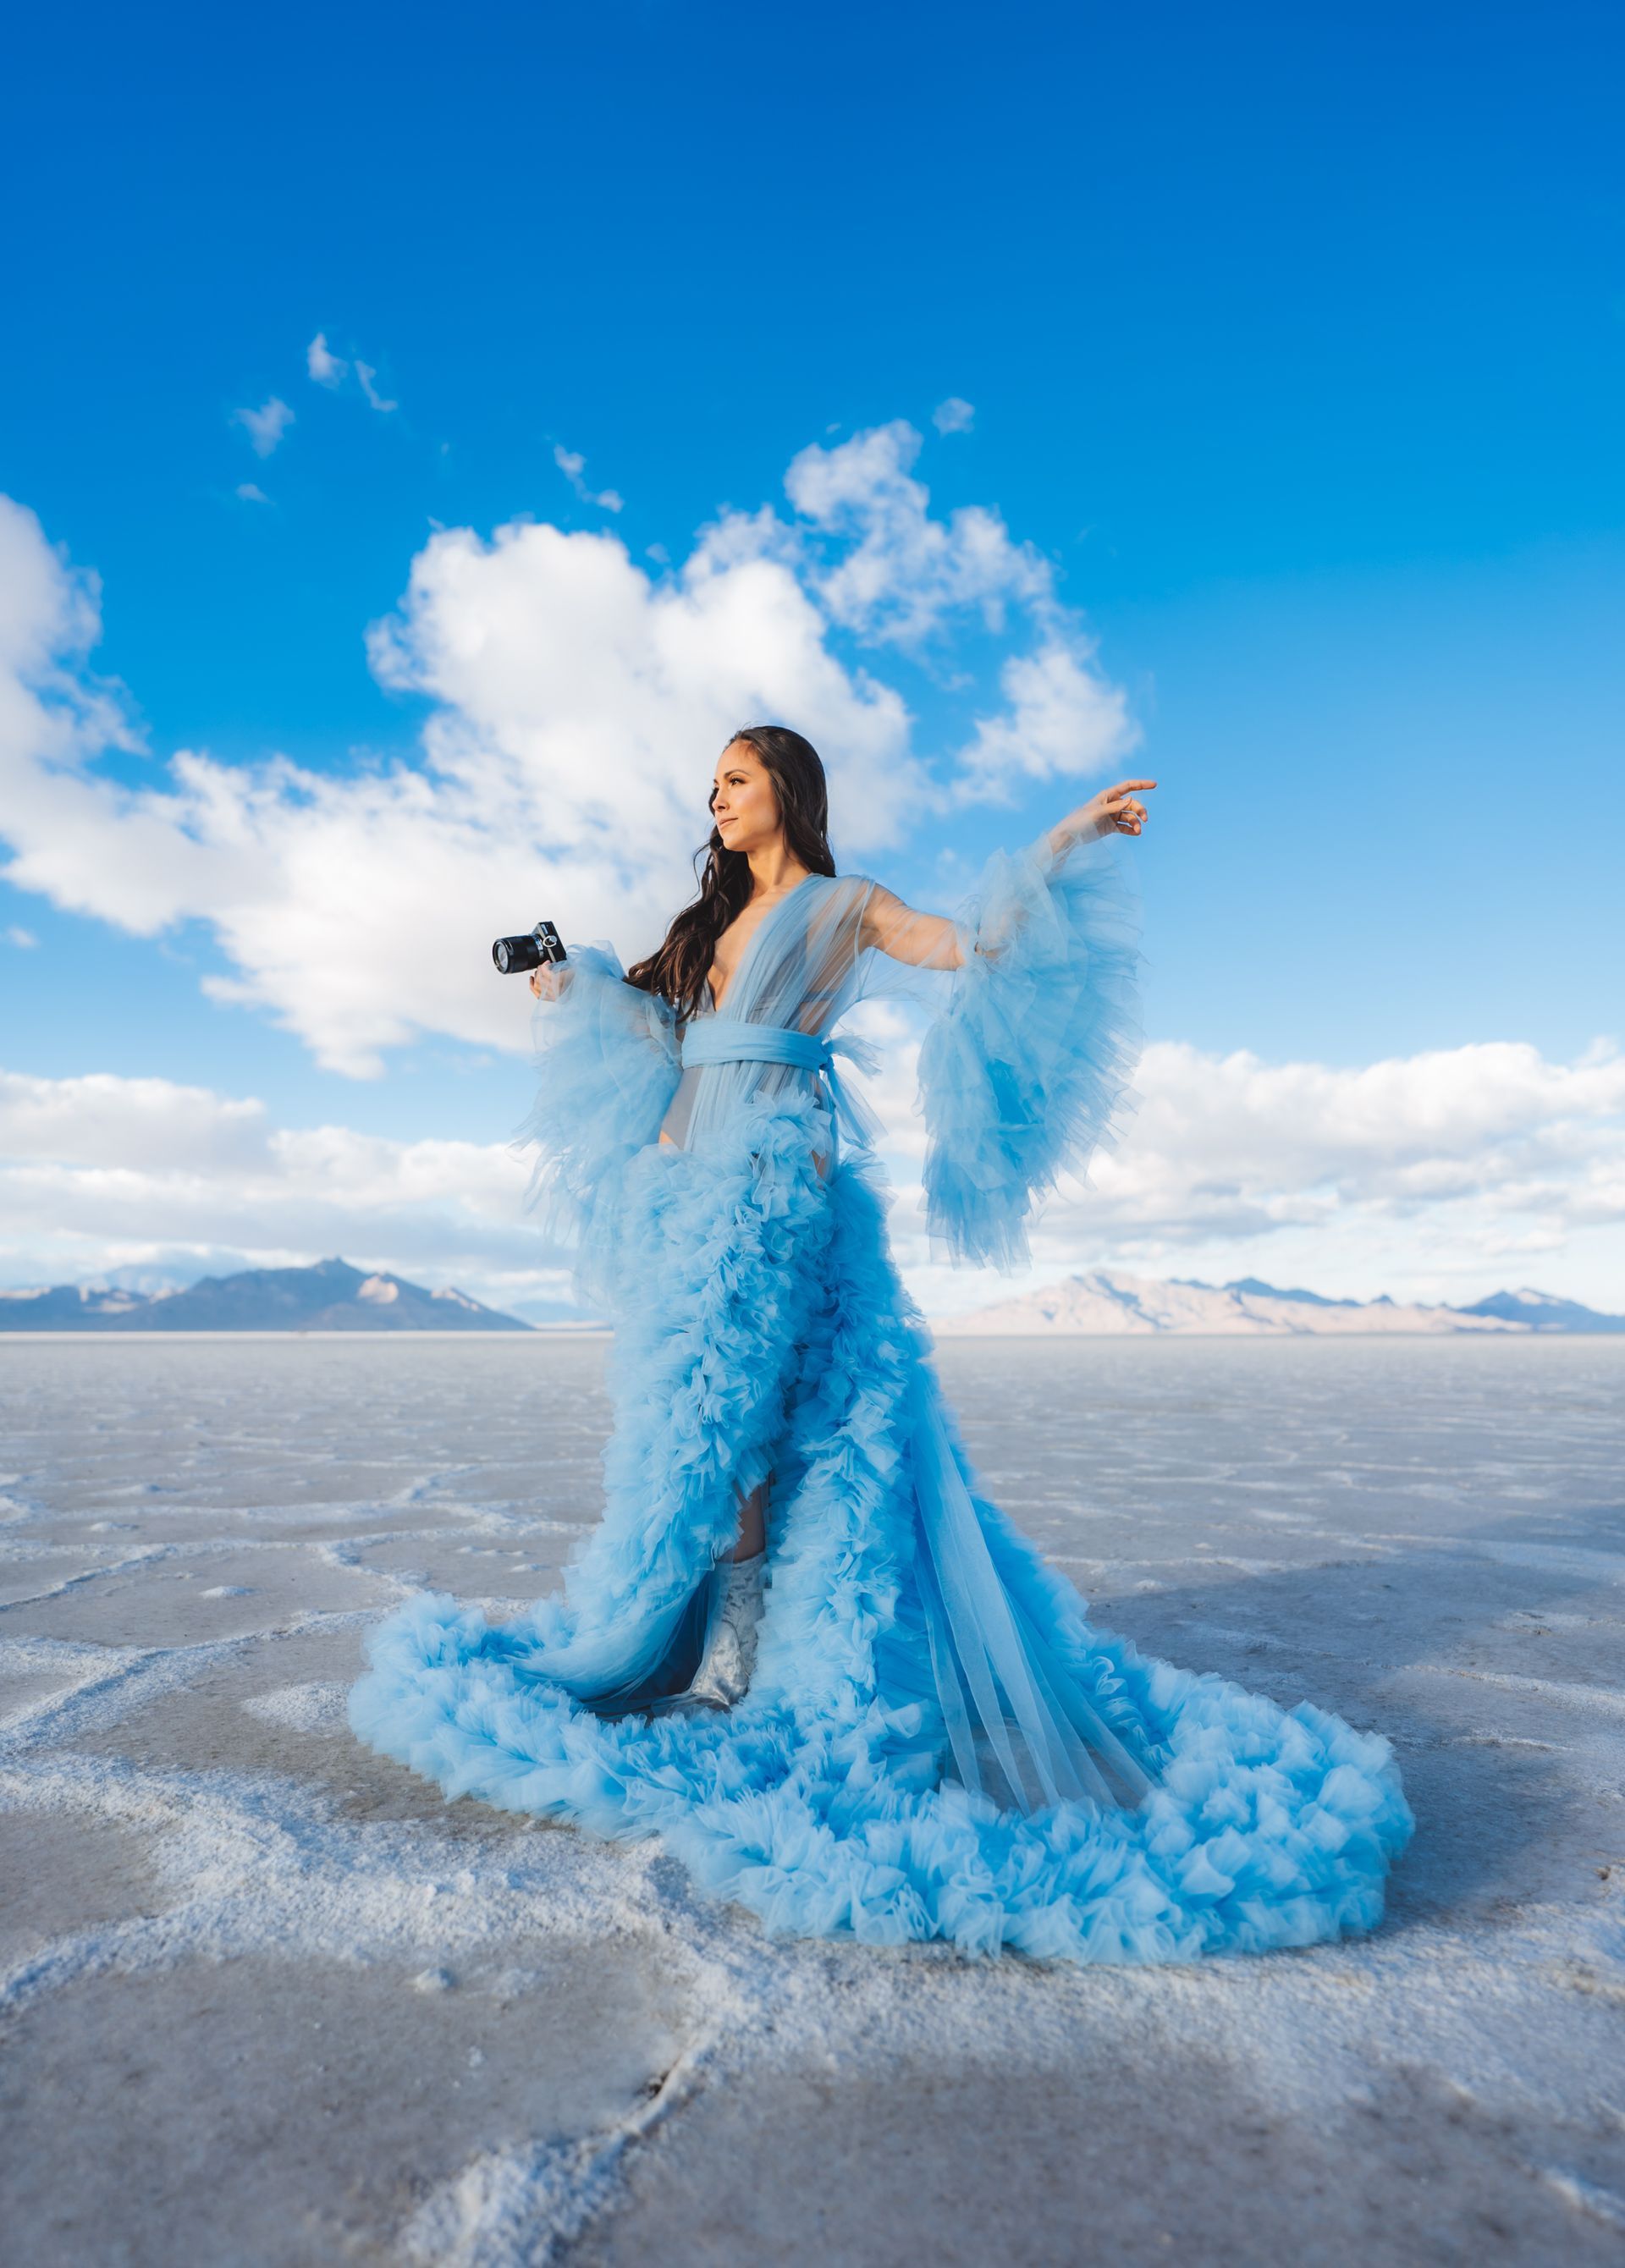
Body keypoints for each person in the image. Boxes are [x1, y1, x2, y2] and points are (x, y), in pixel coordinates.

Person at [350, 726, 1413, 1963]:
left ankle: (738, 1668)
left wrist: (1061, 844)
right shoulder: (708, 926)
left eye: (736, 779)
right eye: (712, 784)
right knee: (722, 1423)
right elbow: (659, 1035)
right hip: (684, 1193)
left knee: (738, 1417)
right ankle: (724, 1653)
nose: (716, 798)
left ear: (786, 790)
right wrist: (569, 985)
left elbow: (970, 945)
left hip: (771, 1191)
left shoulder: (844, 905)